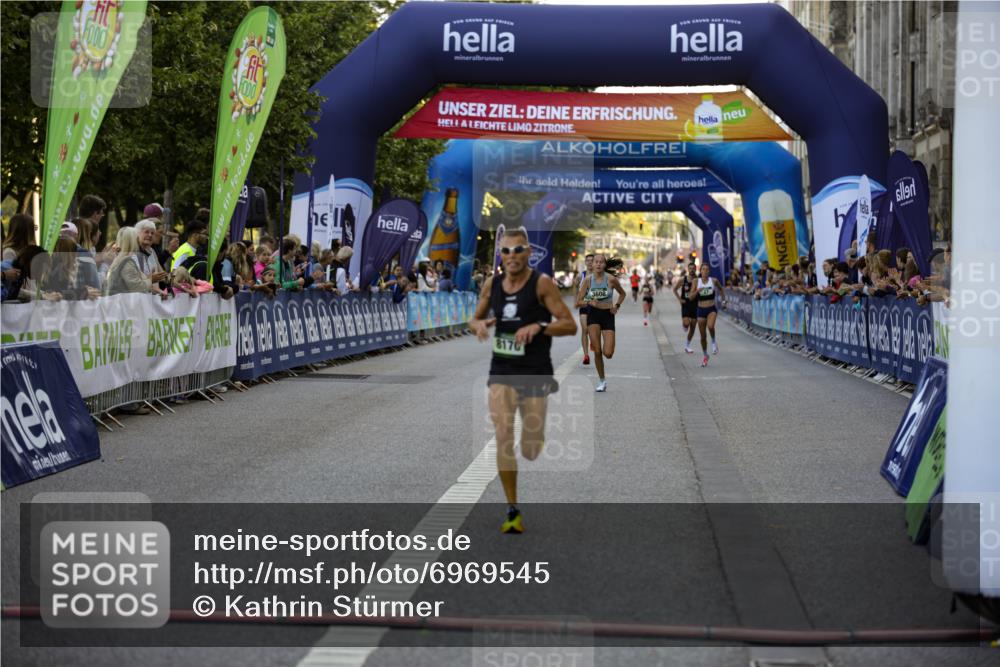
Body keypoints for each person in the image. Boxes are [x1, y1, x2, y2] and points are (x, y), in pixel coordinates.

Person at [468, 227, 576, 534]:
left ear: (529, 253)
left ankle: (535, 436)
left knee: (529, 449)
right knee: (503, 433)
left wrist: (539, 327)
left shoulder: (542, 285)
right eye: (506, 251)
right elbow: (473, 317)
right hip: (502, 367)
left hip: (535, 369)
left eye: (518, 250)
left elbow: (569, 325)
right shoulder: (493, 284)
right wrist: (480, 324)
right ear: (500, 255)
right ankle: (512, 509)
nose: (511, 256)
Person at [575, 253, 626, 393]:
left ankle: (604, 356)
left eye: (601, 262)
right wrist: (588, 301)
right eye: (595, 262)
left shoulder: (611, 279)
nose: (597, 264)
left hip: (608, 316)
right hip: (593, 316)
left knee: (608, 353)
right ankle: (602, 381)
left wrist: (616, 306)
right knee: (597, 350)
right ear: (592, 264)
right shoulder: (588, 281)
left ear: (605, 265)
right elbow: (578, 301)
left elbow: (623, 294)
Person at [105, 227, 165, 297]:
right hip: (123, 305)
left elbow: (140, 280)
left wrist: (157, 290)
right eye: (137, 239)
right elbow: (137, 287)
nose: (139, 241)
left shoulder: (123, 259)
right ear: (132, 241)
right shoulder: (126, 261)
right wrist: (151, 280)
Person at [694, 263, 727, 367]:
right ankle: (705, 355)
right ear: (700, 271)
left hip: (711, 308)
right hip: (700, 310)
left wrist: (724, 301)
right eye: (703, 269)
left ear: (709, 271)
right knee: (703, 336)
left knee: (711, 326)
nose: (705, 271)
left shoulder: (714, 281)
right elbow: (690, 296)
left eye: (707, 269)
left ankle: (713, 342)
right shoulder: (696, 281)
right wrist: (696, 291)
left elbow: (721, 289)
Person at [672, 262, 699, 354]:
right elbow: (674, 289)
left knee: (693, 326)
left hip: (695, 305)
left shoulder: (698, 280)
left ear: (695, 269)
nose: (692, 270)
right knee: (687, 323)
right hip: (686, 303)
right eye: (690, 268)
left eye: (693, 268)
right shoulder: (683, 280)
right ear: (688, 269)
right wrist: (680, 299)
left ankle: (687, 346)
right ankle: (685, 324)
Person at [575, 253, 595, 366]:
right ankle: (586, 355)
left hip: (596, 306)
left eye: (592, 260)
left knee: (593, 329)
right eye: (588, 260)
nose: (590, 262)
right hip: (584, 305)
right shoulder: (581, 275)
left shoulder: (599, 275)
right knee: (585, 329)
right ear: (585, 262)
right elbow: (576, 286)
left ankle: (593, 340)